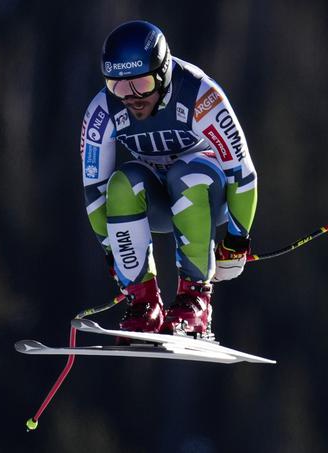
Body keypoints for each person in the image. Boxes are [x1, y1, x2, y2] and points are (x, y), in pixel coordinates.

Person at [80, 20, 257, 338]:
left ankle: (195, 299)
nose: (132, 98)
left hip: (208, 195)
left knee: (185, 175)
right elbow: (94, 191)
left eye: (142, 85)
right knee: (121, 184)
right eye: (118, 87)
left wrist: (236, 240)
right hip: (159, 199)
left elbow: (242, 173)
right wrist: (112, 252)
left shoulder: (199, 95)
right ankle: (144, 301)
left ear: (162, 73)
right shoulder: (103, 111)